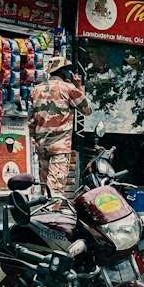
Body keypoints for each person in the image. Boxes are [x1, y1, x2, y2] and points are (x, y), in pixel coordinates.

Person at [27, 55, 91, 202]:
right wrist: (79, 87)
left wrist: (36, 139)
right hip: (59, 146)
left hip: (42, 145)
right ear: (63, 71)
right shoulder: (68, 89)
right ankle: (51, 220)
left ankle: (43, 217)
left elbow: (31, 120)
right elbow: (87, 109)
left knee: (45, 190)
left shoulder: (36, 90)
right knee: (55, 192)